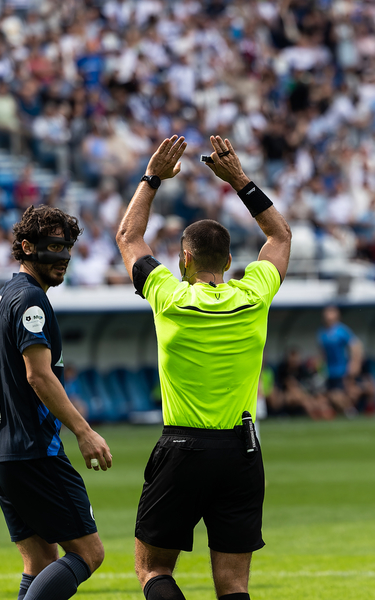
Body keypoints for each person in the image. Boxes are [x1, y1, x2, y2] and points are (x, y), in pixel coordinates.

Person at [115, 134, 291, 600]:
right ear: (231, 261)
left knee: (153, 569)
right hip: (242, 452)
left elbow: (128, 237)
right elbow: (279, 236)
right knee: (234, 585)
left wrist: (152, 176)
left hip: (184, 448)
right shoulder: (253, 294)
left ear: (184, 259)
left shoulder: (169, 296)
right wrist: (240, 180)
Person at [0, 205, 112, 600]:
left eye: (68, 247)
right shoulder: (32, 300)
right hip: (33, 452)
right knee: (88, 553)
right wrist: (83, 431)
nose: (64, 257)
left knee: (39, 562)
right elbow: (38, 375)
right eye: (54, 246)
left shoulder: (4, 296)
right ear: (26, 247)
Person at [317, 306, 375, 416]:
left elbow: (356, 346)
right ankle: (348, 411)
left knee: (344, 393)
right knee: (331, 396)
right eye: (326, 313)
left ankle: (351, 411)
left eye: (331, 313)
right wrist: (320, 366)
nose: (328, 316)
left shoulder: (341, 330)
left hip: (342, 370)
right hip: (330, 371)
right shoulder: (322, 333)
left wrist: (355, 363)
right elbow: (322, 352)